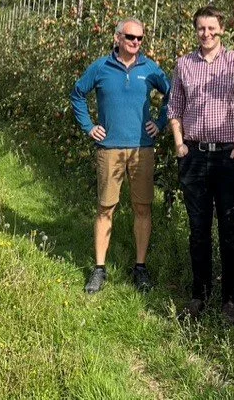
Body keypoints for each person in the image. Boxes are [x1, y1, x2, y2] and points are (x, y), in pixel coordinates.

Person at [168, 5, 234, 324]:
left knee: (230, 229)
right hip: (194, 154)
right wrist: (179, 143)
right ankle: (200, 294)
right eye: (201, 28)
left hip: (228, 156)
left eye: (211, 28)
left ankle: (230, 300)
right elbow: (174, 108)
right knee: (198, 229)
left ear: (221, 29)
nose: (206, 33)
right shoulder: (184, 64)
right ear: (195, 30)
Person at [71, 17, 170, 294]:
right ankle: (99, 269)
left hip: (142, 149)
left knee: (143, 207)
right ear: (118, 37)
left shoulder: (150, 68)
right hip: (109, 149)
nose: (135, 42)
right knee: (105, 208)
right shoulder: (101, 67)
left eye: (140, 38)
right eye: (130, 37)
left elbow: (173, 95)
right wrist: (89, 127)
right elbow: (77, 94)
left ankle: (140, 267)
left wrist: (160, 123)